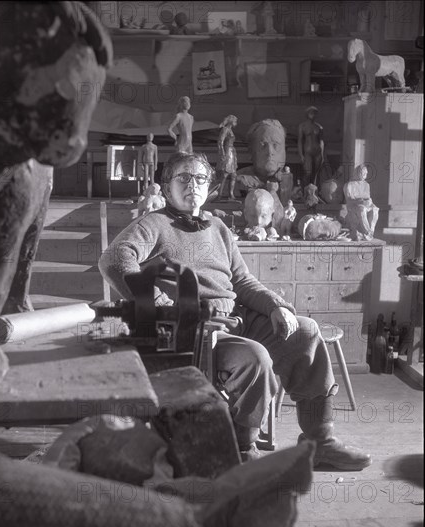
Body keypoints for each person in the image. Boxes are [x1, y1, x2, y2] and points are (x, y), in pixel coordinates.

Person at [99, 151, 372, 470]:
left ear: (210, 186)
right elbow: (113, 261)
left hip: (236, 318)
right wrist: (160, 304)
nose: (192, 184)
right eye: (183, 178)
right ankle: (243, 448)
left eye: (200, 178)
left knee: (306, 332)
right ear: (166, 185)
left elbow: (242, 280)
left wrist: (274, 305)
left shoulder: (216, 227)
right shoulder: (154, 224)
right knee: (256, 357)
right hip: (197, 331)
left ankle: (319, 441)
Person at [236, 119, 288, 196]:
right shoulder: (238, 180)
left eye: (276, 145)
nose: (270, 152)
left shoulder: (290, 181)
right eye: (263, 145)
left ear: (285, 151)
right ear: (250, 151)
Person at [343, 164, 379, 241]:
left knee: (375, 209)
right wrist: (359, 201)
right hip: (354, 206)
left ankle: (371, 232)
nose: (364, 175)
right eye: (363, 173)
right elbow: (349, 200)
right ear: (358, 173)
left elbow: (368, 198)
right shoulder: (349, 185)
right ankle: (367, 232)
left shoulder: (366, 185)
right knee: (362, 209)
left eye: (366, 174)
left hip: (365, 204)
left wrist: (370, 202)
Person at [298, 106, 325, 188]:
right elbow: (300, 141)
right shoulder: (302, 126)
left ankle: (315, 192)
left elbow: (321, 141)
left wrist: (322, 155)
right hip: (307, 152)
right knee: (308, 172)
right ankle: (304, 192)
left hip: (318, 152)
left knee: (316, 173)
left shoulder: (319, 127)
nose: (312, 115)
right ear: (307, 114)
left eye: (314, 113)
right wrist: (301, 155)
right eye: (311, 113)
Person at [216, 115, 238, 200]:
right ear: (231, 121)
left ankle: (231, 194)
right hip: (227, 151)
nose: (236, 123)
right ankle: (219, 194)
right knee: (225, 174)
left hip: (232, 152)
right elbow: (220, 141)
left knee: (233, 175)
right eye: (235, 121)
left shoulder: (230, 130)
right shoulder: (225, 129)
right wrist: (222, 153)